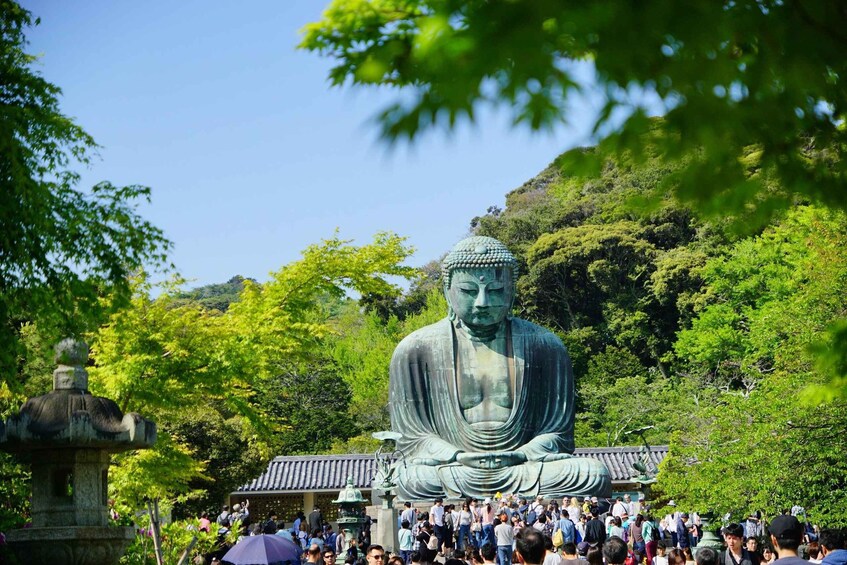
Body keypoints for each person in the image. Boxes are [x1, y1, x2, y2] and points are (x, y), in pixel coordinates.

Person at [389, 237, 612, 499]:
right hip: (454, 467)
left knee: (592, 473)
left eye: (495, 290)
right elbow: (412, 439)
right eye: (469, 291)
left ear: (512, 291)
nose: (482, 302)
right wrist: (457, 455)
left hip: (524, 465)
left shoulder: (545, 345)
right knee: (405, 479)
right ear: (447, 291)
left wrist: (520, 454)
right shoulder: (416, 348)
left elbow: (558, 434)